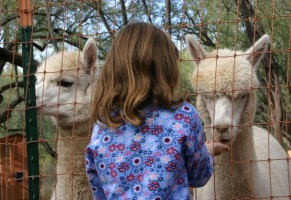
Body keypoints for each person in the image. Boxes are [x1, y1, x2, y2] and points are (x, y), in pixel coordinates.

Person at [85, 22, 229, 200]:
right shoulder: (183, 116)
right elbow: (199, 176)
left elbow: (98, 188)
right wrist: (206, 153)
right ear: (166, 68)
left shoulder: (103, 124)